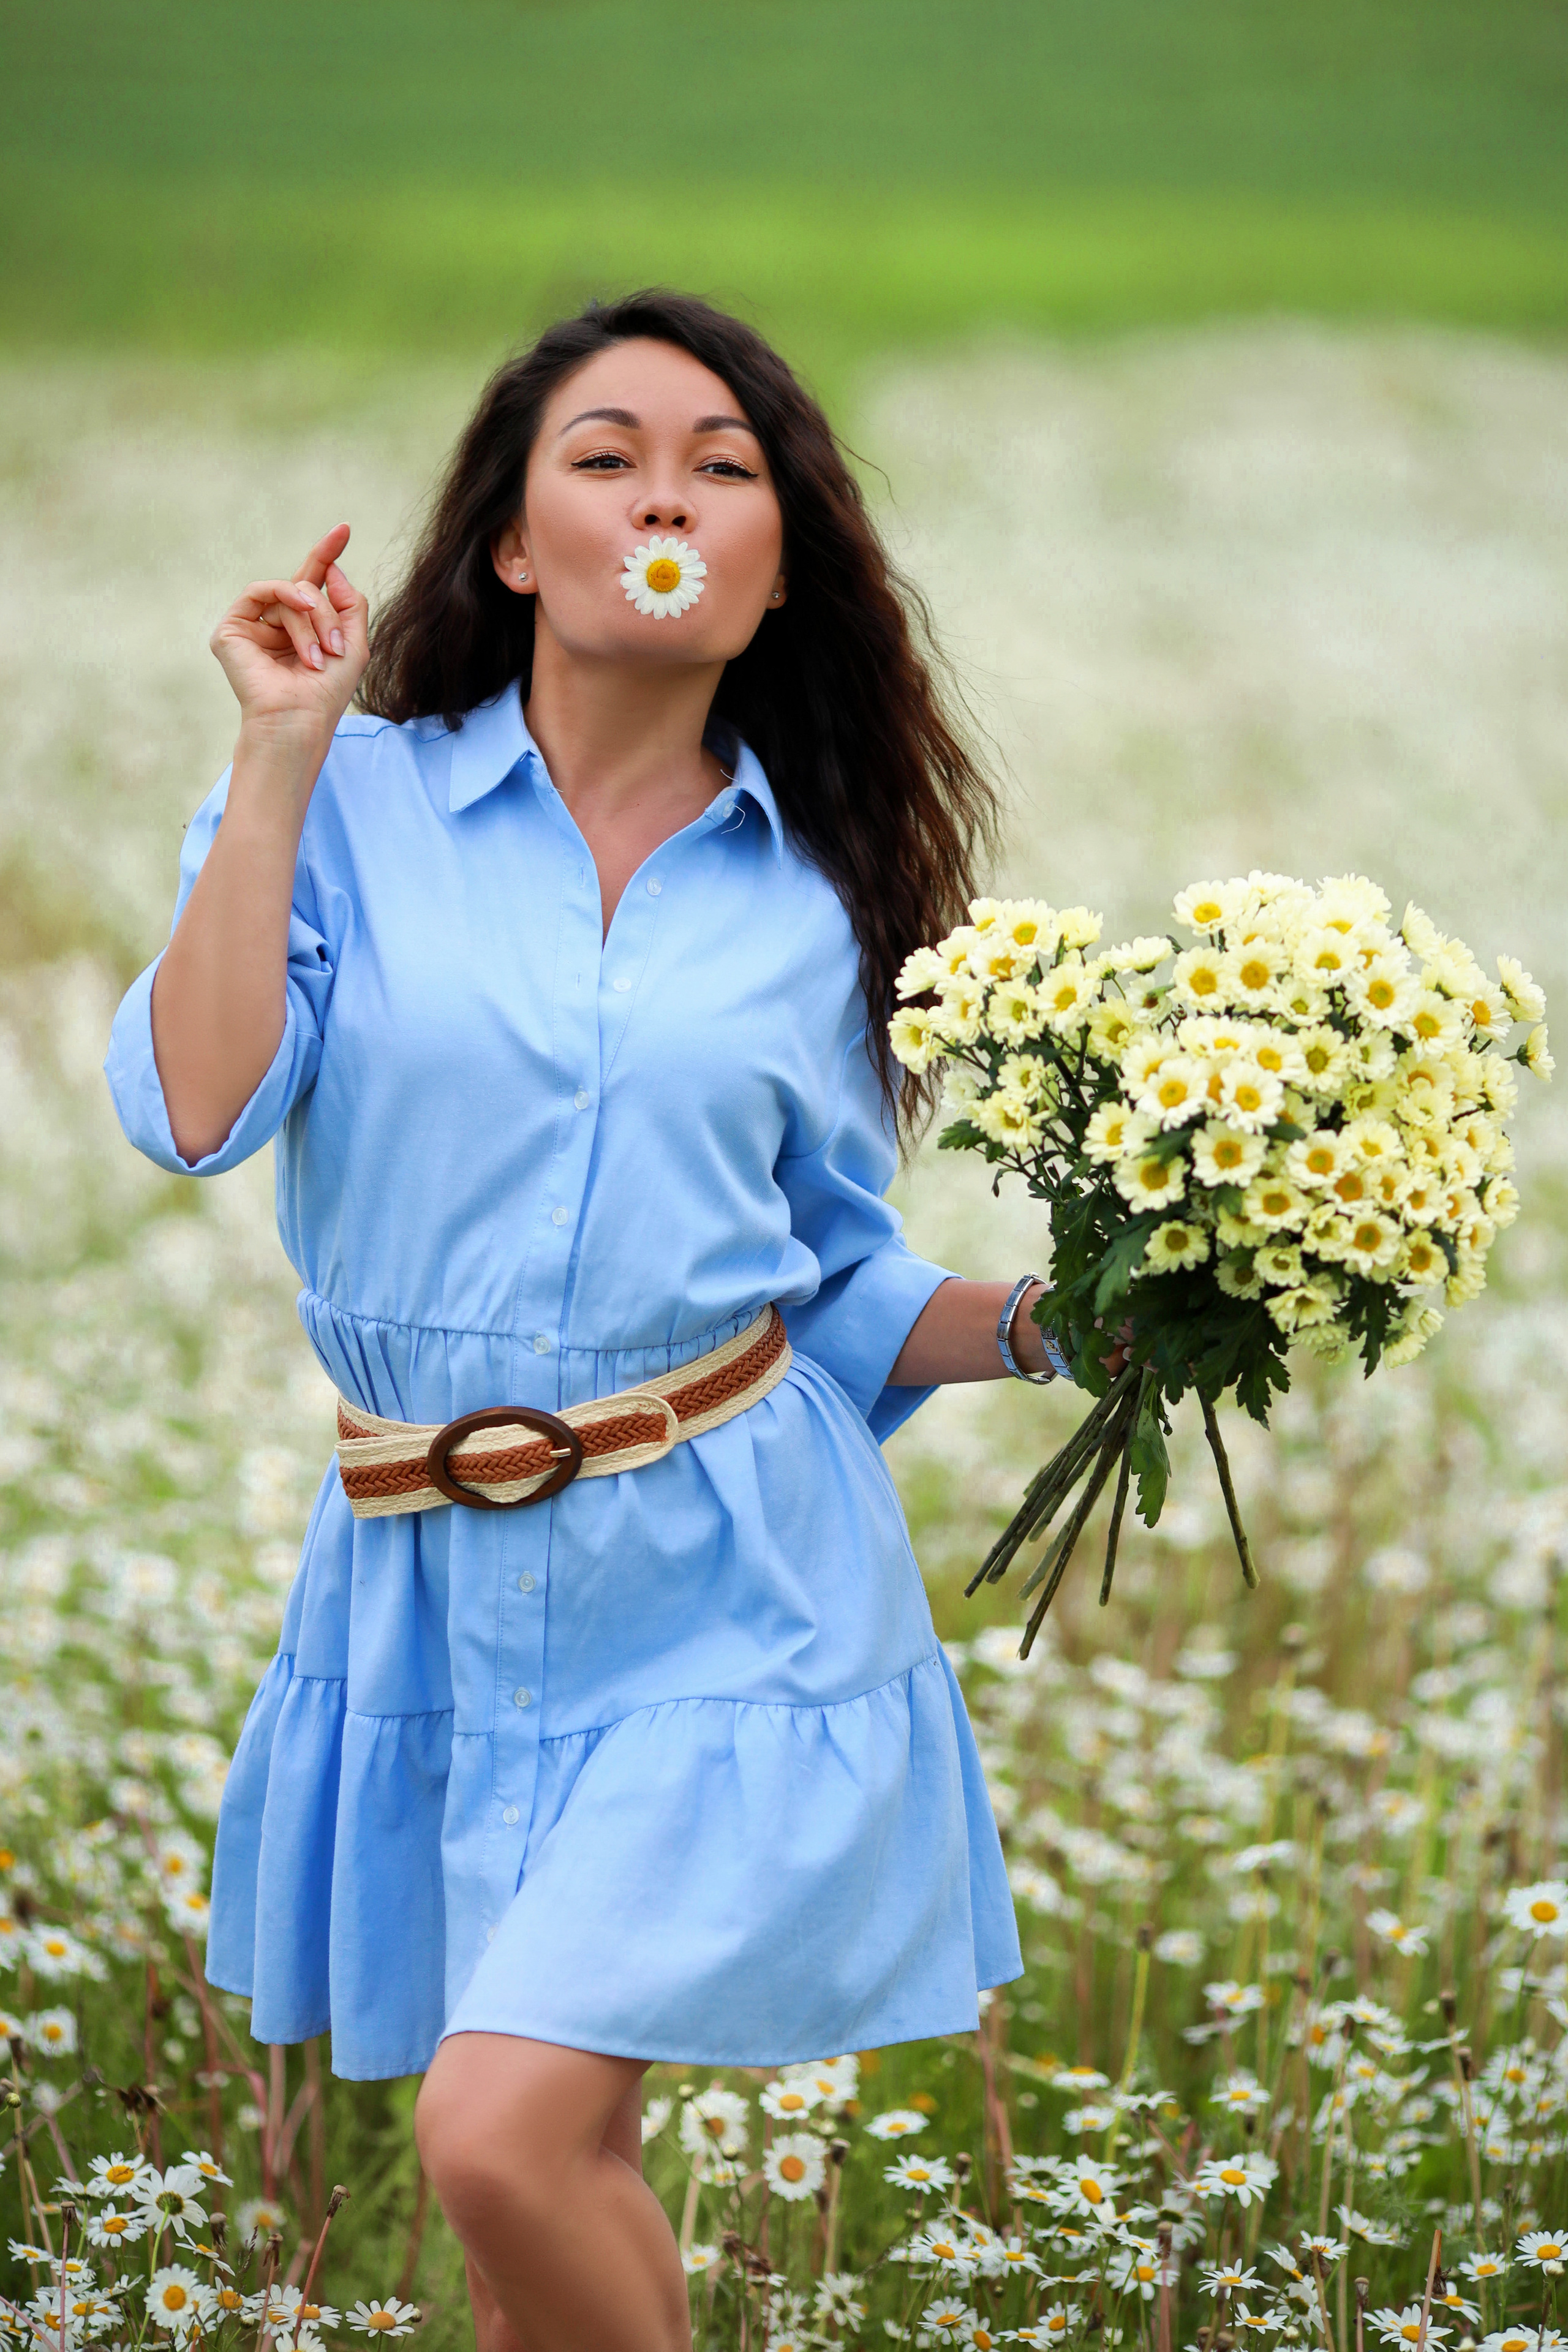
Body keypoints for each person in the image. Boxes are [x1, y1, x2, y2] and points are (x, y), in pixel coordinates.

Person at [105, 291, 1076, 2352]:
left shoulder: (820, 895)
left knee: (500, 2139)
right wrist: (277, 757)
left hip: (729, 1576)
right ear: (515, 546)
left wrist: (1062, 1326)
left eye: (723, 467)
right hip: (427, 1574)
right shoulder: (348, 800)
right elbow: (198, 1107)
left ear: (778, 569)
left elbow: (827, 1284)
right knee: (529, 2199)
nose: (666, 498)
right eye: (607, 457)